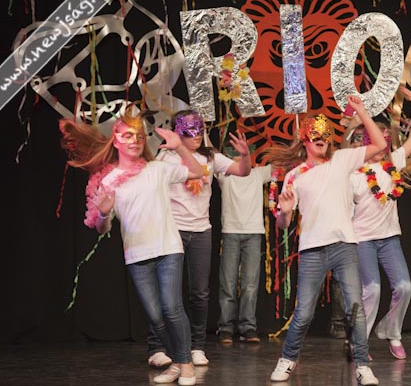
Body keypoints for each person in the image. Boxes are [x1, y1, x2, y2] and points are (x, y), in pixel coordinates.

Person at [59, 105, 204, 385]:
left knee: (172, 308)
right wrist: (103, 214)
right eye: (127, 136)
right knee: (154, 315)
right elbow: (102, 228)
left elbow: (197, 172)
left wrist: (179, 147)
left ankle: (186, 365)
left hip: (168, 248)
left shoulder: (158, 169)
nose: (135, 141)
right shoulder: (109, 180)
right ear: (115, 141)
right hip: (137, 254)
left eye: (139, 136)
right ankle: (177, 362)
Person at [267, 95, 386, 385]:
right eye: (315, 135)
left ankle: (362, 366)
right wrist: (285, 211)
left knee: (355, 308)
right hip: (312, 249)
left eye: (324, 135)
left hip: (344, 246)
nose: (321, 139)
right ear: (305, 139)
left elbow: (380, 145)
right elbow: (283, 225)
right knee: (304, 312)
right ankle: (287, 359)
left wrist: (361, 111)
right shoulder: (295, 175)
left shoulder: (342, 160)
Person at [148, 110, 251, 367]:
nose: (196, 136)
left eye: (200, 130)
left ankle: (197, 346)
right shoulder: (166, 157)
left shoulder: (210, 157)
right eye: (190, 131)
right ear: (177, 133)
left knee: (200, 293)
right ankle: (157, 347)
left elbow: (242, 171)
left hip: (201, 231)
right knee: (168, 292)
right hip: (172, 230)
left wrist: (245, 155)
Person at [349, 86, 411, 360]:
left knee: (404, 287)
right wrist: (356, 118)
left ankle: (392, 331)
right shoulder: (353, 172)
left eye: (384, 140)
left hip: (389, 238)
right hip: (362, 240)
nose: (381, 146)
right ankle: (360, 342)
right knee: (372, 289)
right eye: (374, 140)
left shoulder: (393, 163)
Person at [216, 161, 272, 344]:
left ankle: (248, 327)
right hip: (231, 232)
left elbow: (284, 163)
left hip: (254, 233)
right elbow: (208, 155)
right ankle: (226, 327)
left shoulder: (258, 173)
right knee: (228, 283)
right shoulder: (225, 173)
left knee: (250, 284)